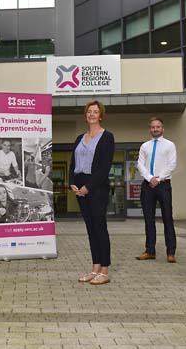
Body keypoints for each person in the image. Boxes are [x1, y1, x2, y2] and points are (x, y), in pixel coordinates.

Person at [69, 100, 115, 285]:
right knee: (90, 228)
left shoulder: (107, 137)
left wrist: (88, 187)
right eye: (89, 112)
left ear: (101, 115)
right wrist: (72, 183)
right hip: (79, 185)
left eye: (95, 112)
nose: (92, 114)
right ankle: (95, 267)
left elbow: (104, 168)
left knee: (99, 226)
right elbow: (73, 163)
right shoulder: (79, 138)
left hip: (96, 186)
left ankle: (105, 269)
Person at [135, 117, 178, 263]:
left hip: (164, 185)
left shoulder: (170, 145)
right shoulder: (144, 146)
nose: (155, 129)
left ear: (162, 128)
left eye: (158, 127)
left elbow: (172, 165)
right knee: (149, 219)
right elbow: (140, 165)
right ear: (150, 129)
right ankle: (150, 251)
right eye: (153, 127)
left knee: (167, 218)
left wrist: (158, 179)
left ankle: (171, 252)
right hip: (148, 186)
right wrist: (150, 178)